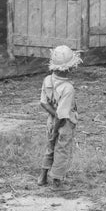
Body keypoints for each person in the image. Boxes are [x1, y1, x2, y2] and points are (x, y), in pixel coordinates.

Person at [37, 45, 82, 190]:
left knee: (50, 146)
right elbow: (62, 115)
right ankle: (56, 181)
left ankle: (42, 176)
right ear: (70, 67)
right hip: (63, 124)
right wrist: (56, 128)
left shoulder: (47, 80)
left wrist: (53, 117)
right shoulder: (68, 88)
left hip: (51, 120)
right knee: (62, 150)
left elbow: (43, 102)